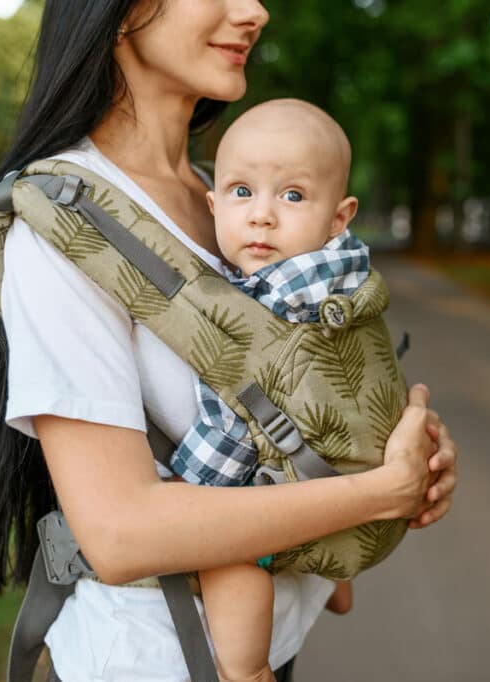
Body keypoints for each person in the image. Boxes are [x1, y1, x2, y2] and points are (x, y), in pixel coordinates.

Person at [0, 2, 458, 681]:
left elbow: (297, 371)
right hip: (158, 660)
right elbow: (119, 533)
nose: (255, 10)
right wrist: (379, 494)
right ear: (121, 13)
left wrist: (394, 450)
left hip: (271, 644)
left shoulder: (231, 199)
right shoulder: (68, 225)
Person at [173, 98, 366, 682]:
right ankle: (334, 582)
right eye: (241, 192)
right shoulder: (337, 267)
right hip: (330, 472)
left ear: (339, 216)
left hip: (282, 480)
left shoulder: (279, 295)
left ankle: (247, 668)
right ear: (212, 204)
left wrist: (192, 492)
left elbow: (233, 414)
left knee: (230, 562)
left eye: (292, 196)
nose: (261, 216)